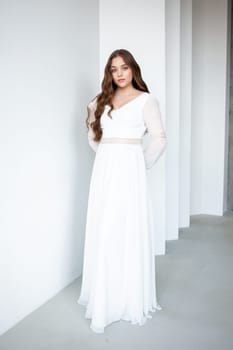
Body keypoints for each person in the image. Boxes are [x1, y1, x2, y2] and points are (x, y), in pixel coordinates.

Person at [77, 48, 166, 334]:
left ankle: (126, 296)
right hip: (104, 172)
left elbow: (159, 138)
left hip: (130, 173)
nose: (120, 73)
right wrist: (105, 153)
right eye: (114, 69)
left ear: (133, 69)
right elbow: (93, 135)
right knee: (105, 227)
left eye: (124, 68)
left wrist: (141, 163)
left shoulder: (146, 100)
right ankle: (104, 293)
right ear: (109, 73)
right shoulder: (101, 100)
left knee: (124, 227)